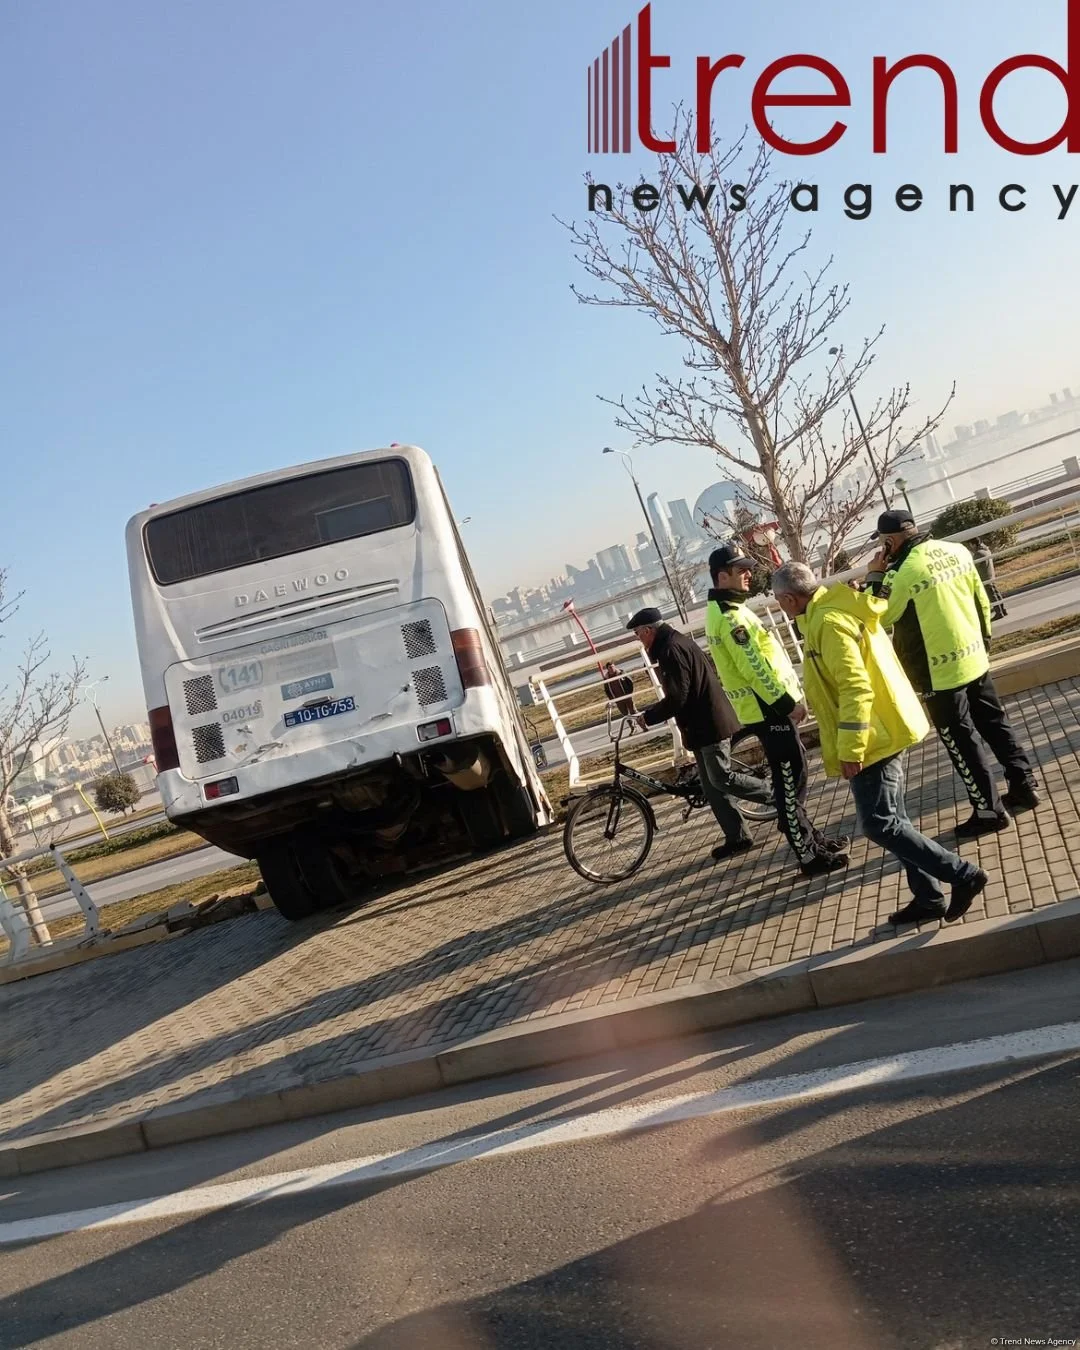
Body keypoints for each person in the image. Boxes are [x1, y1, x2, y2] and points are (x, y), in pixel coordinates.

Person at [770, 561, 989, 926]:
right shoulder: (830, 613)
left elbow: (856, 687)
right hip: (882, 728)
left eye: (779, 601)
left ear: (790, 599)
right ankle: (928, 897)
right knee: (894, 819)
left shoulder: (828, 622)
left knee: (878, 823)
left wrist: (851, 749)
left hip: (874, 736)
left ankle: (963, 875)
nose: (780, 607)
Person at [866, 508, 1039, 837]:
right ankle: (1025, 786)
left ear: (889, 541)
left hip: (937, 674)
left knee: (962, 742)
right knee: (995, 724)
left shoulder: (900, 573)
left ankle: (989, 812)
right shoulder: (956, 550)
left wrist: (875, 575)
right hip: (974, 657)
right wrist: (983, 643)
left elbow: (878, 616)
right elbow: (981, 599)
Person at [704, 545, 849, 876]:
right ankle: (808, 856)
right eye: (740, 570)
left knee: (792, 780)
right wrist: (788, 705)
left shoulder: (729, 611)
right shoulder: (730, 618)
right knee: (788, 784)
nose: (748, 575)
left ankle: (812, 840)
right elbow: (755, 668)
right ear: (721, 576)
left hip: (765, 710)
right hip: (769, 711)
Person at [625, 607, 774, 863]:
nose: (639, 638)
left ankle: (777, 795)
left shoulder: (670, 650)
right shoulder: (675, 642)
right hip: (702, 724)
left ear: (649, 630)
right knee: (712, 787)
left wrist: (649, 716)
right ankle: (738, 837)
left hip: (709, 723)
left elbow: (678, 696)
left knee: (721, 777)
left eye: (638, 633)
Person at [970, 537, 1008, 621]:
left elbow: (973, 566)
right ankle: (1002, 610)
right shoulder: (986, 550)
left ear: (973, 544)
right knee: (996, 593)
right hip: (990, 575)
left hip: (985, 577)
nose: (971, 548)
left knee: (992, 596)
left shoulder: (978, 554)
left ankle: (999, 613)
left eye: (971, 545)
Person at [601, 661, 637, 730]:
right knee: (625, 715)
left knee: (634, 712)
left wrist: (629, 693)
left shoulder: (621, 673)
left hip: (627, 696)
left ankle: (643, 725)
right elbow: (607, 690)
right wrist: (612, 699)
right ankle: (633, 728)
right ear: (607, 669)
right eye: (610, 667)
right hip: (618, 700)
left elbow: (630, 682)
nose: (612, 668)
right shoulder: (606, 678)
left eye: (613, 666)